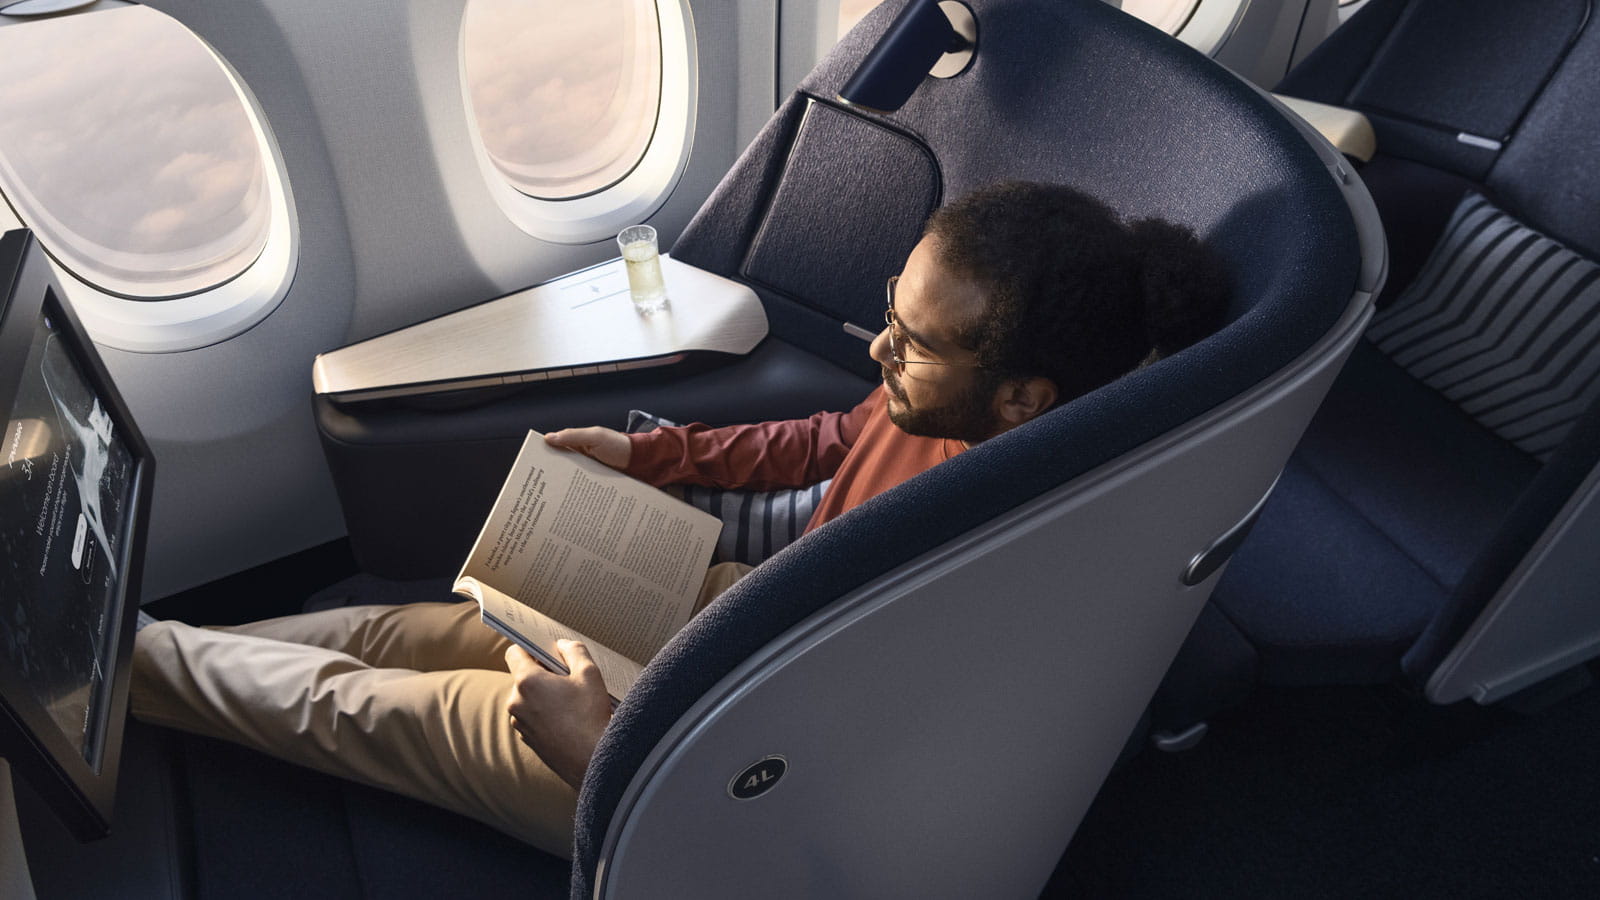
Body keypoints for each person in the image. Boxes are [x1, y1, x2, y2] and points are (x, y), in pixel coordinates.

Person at [130, 180, 1229, 859]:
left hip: (733, 752)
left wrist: (603, 748)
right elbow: (831, 444)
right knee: (420, 630)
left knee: (383, 708)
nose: (878, 350)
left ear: (1023, 399)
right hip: (754, 624)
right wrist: (648, 453)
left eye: (914, 342)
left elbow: (853, 777)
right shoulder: (940, 409)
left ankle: (103, 666)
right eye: (892, 313)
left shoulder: (1004, 563)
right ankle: (133, 664)